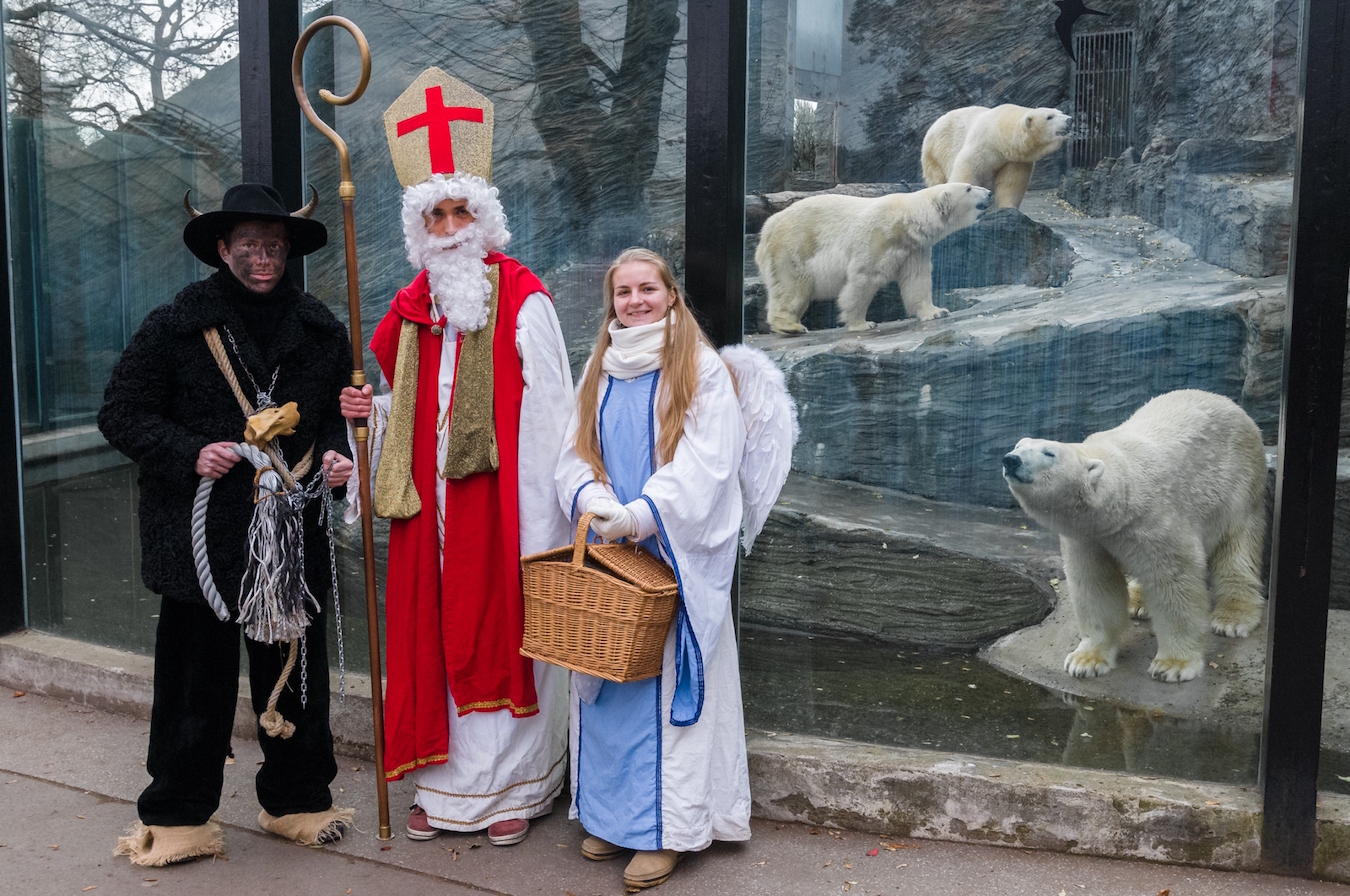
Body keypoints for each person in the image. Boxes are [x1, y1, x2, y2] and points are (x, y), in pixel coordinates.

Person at [339, 69, 574, 846]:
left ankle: (513, 788)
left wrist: (543, 528)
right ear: (420, 227)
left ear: (484, 217)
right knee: (432, 639)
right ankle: (442, 791)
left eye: (460, 210)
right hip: (427, 512)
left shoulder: (525, 298)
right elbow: (402, 412)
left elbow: (551, 417)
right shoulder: (409, 312)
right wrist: (362, 416)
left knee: (497, 635)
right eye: (434, 213)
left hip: (504, 506)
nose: (449, 225)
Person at [98, 183, 356, 865]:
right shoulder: (175, 323)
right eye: (250, 245)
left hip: (289, 535)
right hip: (199, 543)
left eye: (275, 246)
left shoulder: (322, 328)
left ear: (287, 252)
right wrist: (192, 451)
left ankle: (297, 801)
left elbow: (336, 416)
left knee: (295, 674)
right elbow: (122, 414)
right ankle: (179, 816)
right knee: (193, 681)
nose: (264, 256)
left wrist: (338, 453)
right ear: (223, 249)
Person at [554, 248, 757, 890]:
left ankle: (667, 829)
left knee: (664, 690)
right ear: (610, 301)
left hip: (673, 553)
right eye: (623, 292)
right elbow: (573, 453)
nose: (635, 301)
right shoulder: (599, 366)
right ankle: (613, 820)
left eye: (648, 289)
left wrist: (642, 515)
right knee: (610, 677)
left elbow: (711, 463)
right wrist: (591, 500)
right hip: (614, 561)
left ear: (671, 295)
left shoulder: (699, 368)